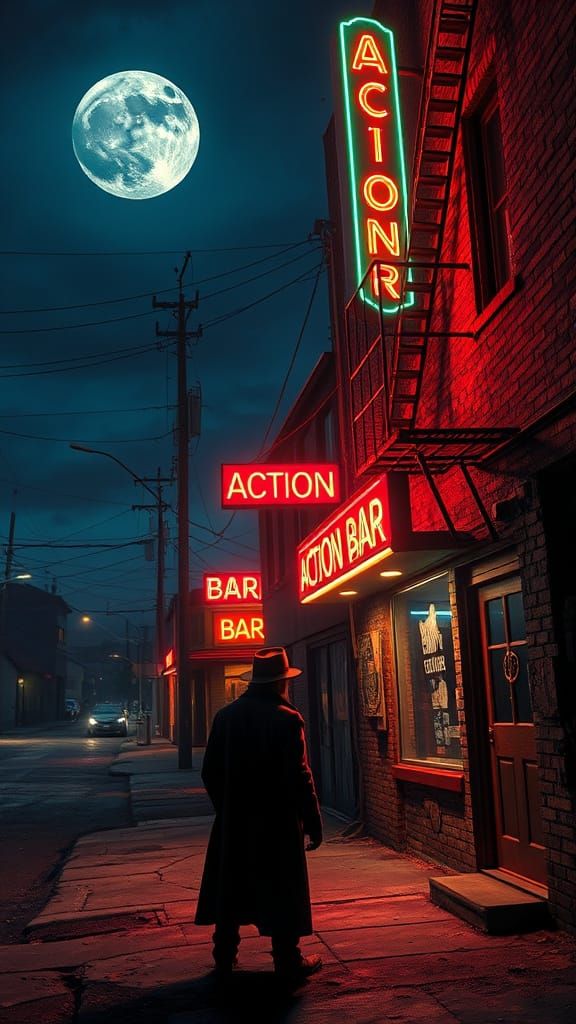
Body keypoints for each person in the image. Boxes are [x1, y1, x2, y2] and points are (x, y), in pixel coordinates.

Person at [195, 646, 323, 982]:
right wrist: (313, 821)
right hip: (277, 823)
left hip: (234, 821)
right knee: (281, 887)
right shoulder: (286, 719)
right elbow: (300, 775)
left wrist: (227, 808)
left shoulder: (225, 717)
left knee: (232, 886)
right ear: (281, 682)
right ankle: (287, 959)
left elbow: (209, 772)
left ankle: (224, 957)